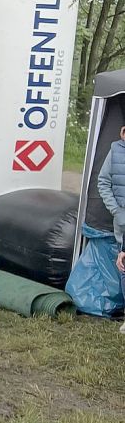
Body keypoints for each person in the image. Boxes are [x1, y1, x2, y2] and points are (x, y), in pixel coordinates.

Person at [94, 125, 125, 333]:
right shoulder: (115, 151)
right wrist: (117, 211)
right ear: (123, 132)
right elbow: (103, 182)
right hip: (123, 223)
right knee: (124, 268)